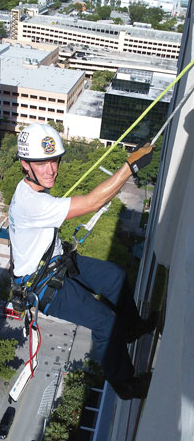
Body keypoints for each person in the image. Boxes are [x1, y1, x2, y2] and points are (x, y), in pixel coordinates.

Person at [9, 123, 157, 400]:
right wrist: (129, 167)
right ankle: (126, 386)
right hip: (42, 286)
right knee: (104, 323)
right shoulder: (30, 202)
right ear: (25, 164)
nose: (51, 169)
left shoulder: (33, 190)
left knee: (115, 277)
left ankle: (132, 329)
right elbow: (91, 203)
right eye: (41, 164)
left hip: (56, 263)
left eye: (54, 161)